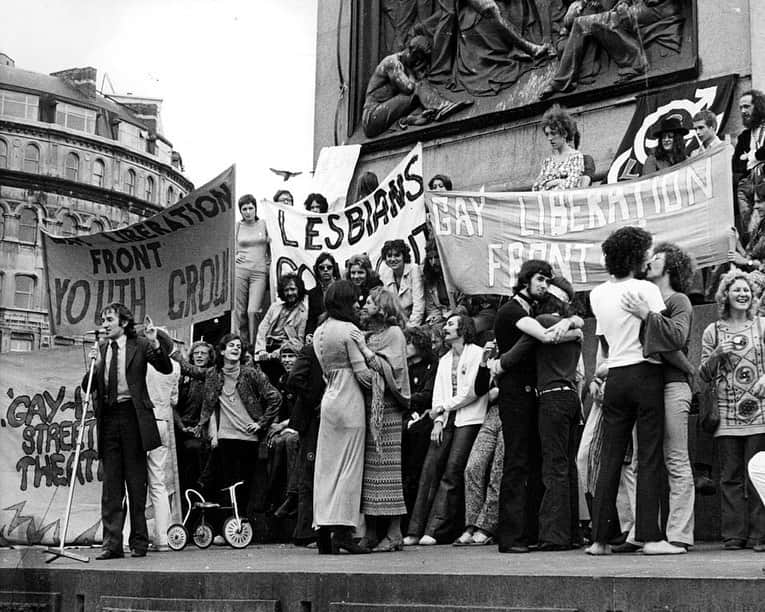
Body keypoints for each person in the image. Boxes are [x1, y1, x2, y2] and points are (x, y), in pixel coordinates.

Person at [587, 226, 685, 555]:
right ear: (635, 256)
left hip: (615, 375)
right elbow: (663, 334)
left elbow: (602, 341)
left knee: (611, 458)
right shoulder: (646, 290)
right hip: (646, 375)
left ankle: (599, 539)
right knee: (649, 457)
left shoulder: (596, 294)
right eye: (644, 252)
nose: (647, 258)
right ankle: (651, 537)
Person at [493, 260, 582, 554]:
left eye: (547, 281)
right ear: (525, 280)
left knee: (532, 463)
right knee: (518, 461)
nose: (543, 286)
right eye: (540, 280)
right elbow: (540, 338)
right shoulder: (513, 311)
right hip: (517, 394)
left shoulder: (535, 313)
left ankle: (528, 532)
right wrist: (572, 326)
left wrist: (571, 325)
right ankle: (511, 537)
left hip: (536, 394)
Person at [621, 243, 696, 551]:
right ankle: (642, 531)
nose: (650, 261)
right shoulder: (639, 297)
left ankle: (679, 533)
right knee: (641, 461)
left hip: (672, 386)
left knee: (675, 459)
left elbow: (676, 337)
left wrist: (648, 316)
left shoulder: (678, 300)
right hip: (644, 385)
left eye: (658, 258)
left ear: (671, 266)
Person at [84, 303, 173, 560]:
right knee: (111, 484)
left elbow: (165, 368)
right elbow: (88, 386)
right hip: (109, 418)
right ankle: (112, 543)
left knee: (136, 482)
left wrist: (156, 344)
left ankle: (139, 542)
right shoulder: (101, 349)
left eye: (109, 319)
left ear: (123, 322)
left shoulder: (141, 344)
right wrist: (95, 366)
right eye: (103, 319)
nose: (105, 324)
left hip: (133, 418)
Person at [174, 333, 282, 526]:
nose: (235, 349)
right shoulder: (213, 374)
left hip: (249, 437)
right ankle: (229, 525)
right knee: (226, 483)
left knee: (244, 484)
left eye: (238, 347)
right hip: (225, 437)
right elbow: (186, 367)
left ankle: (241, 524)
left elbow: (275, 397)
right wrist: (161, 341)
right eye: (231, 346)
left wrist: (262, 423)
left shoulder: (250, 373)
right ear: (222, 351)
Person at [404, 314, 488, 545]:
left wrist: (443, 408)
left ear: (464, 329)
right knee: (430, 467)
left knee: (452, 471)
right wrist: (439, 420)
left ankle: (435, 529)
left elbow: (472, 392)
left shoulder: (477, 353)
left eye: (451, 324)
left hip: (469, 418)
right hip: (446, 418)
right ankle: (415, 529)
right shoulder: (444, 359)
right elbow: (438, 393)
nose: (446, 328)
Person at [699, 270, 765, 551]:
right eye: (736, 290)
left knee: (758, 474)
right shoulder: (713, 331)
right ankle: (734, 535)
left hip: (760, 413)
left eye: (746, 290)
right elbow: (702, 374)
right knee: (730, 476)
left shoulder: (762, 325)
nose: (742, 294)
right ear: (725, 295)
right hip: (725, 413)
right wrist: (717, 354)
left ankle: (760, 535)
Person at [311, 280, 374, 554]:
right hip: (350, 401)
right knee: (349, 469)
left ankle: (323, 531)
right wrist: (380, 368)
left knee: (326, 469)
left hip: (330, 400)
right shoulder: (350, 330)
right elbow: (363, 374)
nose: (358, 304)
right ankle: (344, 533)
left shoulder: (319, 330)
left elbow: (325, 370)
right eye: (355, 300)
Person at [352, 287, 411, 552]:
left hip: (387, 409)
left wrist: (365, 351)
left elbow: (393, 370)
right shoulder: (366, 334)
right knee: (370, 473)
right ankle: (373, 531)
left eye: (370, 302)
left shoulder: (394, 334)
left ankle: (395, 532)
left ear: (384, 308)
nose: (364, 305)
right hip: (367, 408)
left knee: (388, 472)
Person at [362, 34, 469, 138]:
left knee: (421, 87)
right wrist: (415, 73)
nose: (418, 62)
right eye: (417, 59)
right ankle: (441, 107)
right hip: (372, 117)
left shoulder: (406, 66)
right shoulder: (392, 63)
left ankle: (409, 120)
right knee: (418, 87)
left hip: (383, 111)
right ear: (411, 52)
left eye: (421, 60)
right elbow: (408, 89)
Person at [285, 341, 326, 546]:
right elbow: (294, 378)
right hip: (311, 419)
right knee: (309, 473)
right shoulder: (312, 349)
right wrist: (315, 400)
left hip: (321, 416)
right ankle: (304, 531)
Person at [143, 329, 181, 552]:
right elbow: (174, 399)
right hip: (164, 422)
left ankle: (129, 537)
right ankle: (162, 538)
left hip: (143, 422)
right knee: (159, 483)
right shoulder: (174, 367)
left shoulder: (143, 365)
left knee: (134, 483)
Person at [401, 326, 437, 522]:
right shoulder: (404, 366)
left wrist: (405, 399)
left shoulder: (432, 365)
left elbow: (428, 394)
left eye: (409, 342)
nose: (405, 347)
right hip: (406, 417)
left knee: (414, 471)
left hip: (422, 420)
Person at [174, 340, 214, 506]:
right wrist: (181, 426)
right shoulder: (182, 377)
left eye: (203, 353)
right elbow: (173, 404)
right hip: (180, 428)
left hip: (201, 431)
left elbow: (213, 408)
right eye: (196, 353)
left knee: (197, 469)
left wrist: (200, 426)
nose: (199, 356)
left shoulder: (212, 376)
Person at [268, 341, 303, 520]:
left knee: (290, 442)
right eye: (285, 356)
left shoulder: (302, 378)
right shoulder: (281, 380)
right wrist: (275, 426)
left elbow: (304, 408)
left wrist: (284, 425)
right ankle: (274, 495)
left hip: (302, 426)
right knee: (276, 442)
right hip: (287, 426)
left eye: (292, 356)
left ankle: (292, 495)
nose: (288, 360)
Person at [254, 272, 309, 384]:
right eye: (286, 290)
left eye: (292, 289)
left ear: (299, 290)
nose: (289, 293)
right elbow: (262, 329)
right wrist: (261, 350)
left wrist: (278, 352)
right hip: (266, 349)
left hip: (285, 352)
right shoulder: (275, 307)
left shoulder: (303, 312)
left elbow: (298, 341)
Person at [234, 194, 270, 347]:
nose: (248, 212)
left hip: (259, 272)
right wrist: (233, 256)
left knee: (253, 311)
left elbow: (273, 245)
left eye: (250, 208)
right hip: (240, 270)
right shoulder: (237, 226)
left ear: (255, 208)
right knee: (238, 311)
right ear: (240, 211)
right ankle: (238, 345)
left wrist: (268, 264)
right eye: (244, 209)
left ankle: (254, 346)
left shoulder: (264, 224)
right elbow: (228, 245)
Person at [734, 90, 765, 246]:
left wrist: (754, 155)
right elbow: (736, 164)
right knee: (750, 231)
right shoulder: (744, 136)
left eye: (746, 106)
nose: (743, 111)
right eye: (740, 108)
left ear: (758, 106)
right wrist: (754, 158)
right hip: (748, 187)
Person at [532, 105, 585, 191]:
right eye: (547, 134)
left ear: (564, 134)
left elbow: (571, 185)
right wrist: (559, 181)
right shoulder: (548, 162)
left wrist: (548, 183)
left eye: (553, 133)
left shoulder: (575, 157)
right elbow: (536, 188)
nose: (549, 138)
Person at [379, 239, 425, 327]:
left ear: (404, 256)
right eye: (389, 256)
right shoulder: (385, 273)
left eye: (397, 255)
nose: (393, 259)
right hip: (397, 322)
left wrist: (411, 327)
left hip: (416, 321)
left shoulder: (414, 269)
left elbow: (419, 303)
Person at [306, 253, 342, 340]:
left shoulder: (342, 289)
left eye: (329, 267)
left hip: (339, 332)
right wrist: (309, 334)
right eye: (322, 268)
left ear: (334, 269)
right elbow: (311, 319)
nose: (325, 270)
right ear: (317, 270)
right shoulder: (312, 293)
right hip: (319, 334)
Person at [423, 239, 452, 327]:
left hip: (457, 317)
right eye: (430, 259)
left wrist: (446, 317)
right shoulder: (429, 278)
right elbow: (430, 307)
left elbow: (463, 304)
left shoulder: (455, 275)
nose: (433, 262)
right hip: (439, 318)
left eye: (436, 257)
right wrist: (434, 317)